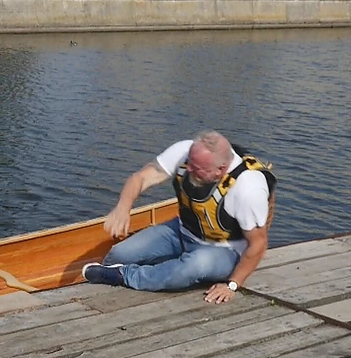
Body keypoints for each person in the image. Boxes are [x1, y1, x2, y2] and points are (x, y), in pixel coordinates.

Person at [83, 130, 276, 304]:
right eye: (189, 163)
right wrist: (123, 207)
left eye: (197, 168)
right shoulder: (186, 152)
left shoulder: (248, 188)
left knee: (192, 266)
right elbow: (140, 177)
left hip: (224, 251)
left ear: (221, 169)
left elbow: (258, 244)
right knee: (121, 254)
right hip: (182, 232)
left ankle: (125, 276)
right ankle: (134, 268)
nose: (188, 169)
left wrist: (232, 285)